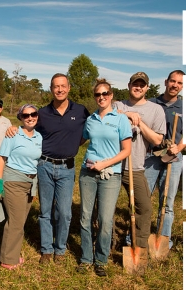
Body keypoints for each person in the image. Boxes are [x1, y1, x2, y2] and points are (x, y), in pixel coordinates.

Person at [78, 79, 132, 277]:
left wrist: (105, 163)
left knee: (105, 219)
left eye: (105, 93)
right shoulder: (90, 119)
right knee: (85, 218)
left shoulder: (120, 119)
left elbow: (126, 150)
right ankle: (85, 258)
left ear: (111, 95)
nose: (101, 97)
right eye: (98, 94)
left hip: (110, 175)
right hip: (87, 174)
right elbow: (81, 138)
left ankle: (101, 259)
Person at [35, 73, 90, 264]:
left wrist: (75, 144)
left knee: (65, 212)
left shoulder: (81, 111)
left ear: (69, 88)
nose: (60, 89)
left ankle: (60, 249)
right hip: (45, 166)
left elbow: (92, 128)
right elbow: (28, 128)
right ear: (51, 89)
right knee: (45, 210)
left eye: (63, 86)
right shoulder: (42, 113)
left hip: (67, 168)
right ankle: (46, 249)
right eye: (56, 86)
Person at [114, 72, 166, 256]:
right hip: (113, 166)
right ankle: (108, 242)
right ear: (128, 85)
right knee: (106, 207)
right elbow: (108, 114)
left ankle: (140, 247)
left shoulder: (156, 110)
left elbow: (157, 141)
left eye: (142, 85)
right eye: (135, 84)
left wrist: (140, 122)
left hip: (135, 166)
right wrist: (128, 113)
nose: (138, 87)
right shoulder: (118, 104)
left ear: (147, 88)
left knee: (144, 208)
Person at [0, 104, 42, 270]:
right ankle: (8, 259)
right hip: (13, 181)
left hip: (30, 183)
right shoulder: (13, 134)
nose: (30, 117)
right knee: (16, 221)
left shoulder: (39, 137)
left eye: (33, 114)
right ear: (21, 117)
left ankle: (11, 254)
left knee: (19, 221)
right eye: (26, 115)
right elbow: (2, 158)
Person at [144, 70, 185, 250]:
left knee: (167, 202)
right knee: (143, 199)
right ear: (166, 82)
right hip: (152, 156)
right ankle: (138, 237)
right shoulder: (152, 103)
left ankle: (164, 241)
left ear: (182, 86)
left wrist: (179, 147)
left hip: (174, 157)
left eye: (179, 83)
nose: (175, 85)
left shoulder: (185, 107)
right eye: (172, 81)